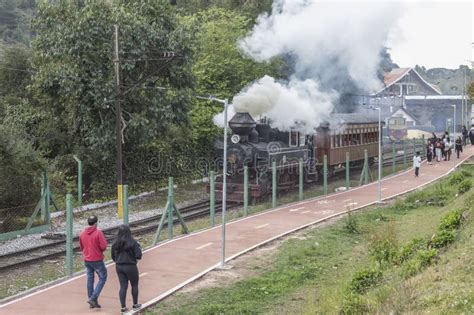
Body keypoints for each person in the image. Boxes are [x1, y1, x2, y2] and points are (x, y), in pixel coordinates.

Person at [111, 225, 143, 313]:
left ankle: (123, 307)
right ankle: (135, 304)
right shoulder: (132, 242)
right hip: (131, 266)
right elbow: (138, 255)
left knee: (123, 286)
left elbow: (113, 257)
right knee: (134, 285)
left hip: (119, 266)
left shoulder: (115, 243)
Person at [79, 215, 108, 309]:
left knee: (90, 279)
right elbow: (103, 247)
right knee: (103, 277)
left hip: (87, 260)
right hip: (97, 259)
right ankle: (93, 298)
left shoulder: (82, 233)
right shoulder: (98, 233)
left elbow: (81, 247)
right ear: (95, 223)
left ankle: (91, 300)